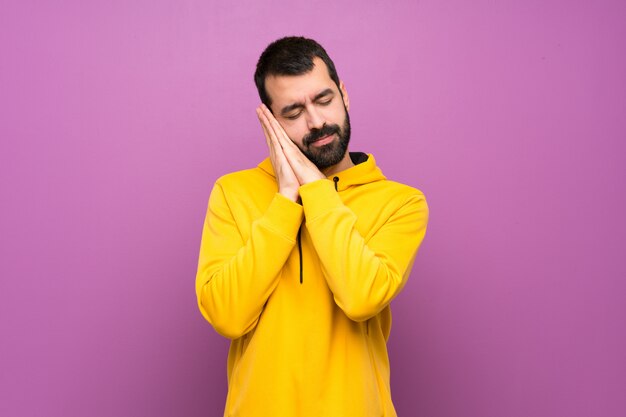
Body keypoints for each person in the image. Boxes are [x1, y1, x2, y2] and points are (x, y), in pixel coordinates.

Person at [195, 36, 429, 417]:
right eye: (293, 111)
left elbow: (361, 298)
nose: (317, 121)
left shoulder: (400, 203)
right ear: (270, 120)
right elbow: (226, 315)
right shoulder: (232, 193)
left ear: (344, 94)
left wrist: (317, 191)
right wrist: (286, 200)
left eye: (324, 100)